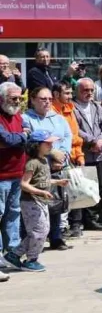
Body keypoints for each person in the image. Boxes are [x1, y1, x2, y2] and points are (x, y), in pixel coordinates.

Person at [4, 131, 67, 272]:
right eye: (47, 143)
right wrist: (41, 192)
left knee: (42, 231)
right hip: (31, 202)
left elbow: (42, 180)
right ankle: (31, 260)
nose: (51, 145)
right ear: (37, 145)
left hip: (40, 201)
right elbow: (24, 184)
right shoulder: (32, 163)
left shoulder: (44, 160)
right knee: (39, 231)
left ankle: (14, 255)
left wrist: (57, 181)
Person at [23, 85, 74, 250]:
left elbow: (67, 136)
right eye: (43, 99)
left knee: (56, 202)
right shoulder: (26, 118)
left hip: (58, 165)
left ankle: (56, 237)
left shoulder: (58, 118)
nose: (47, 102)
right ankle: (30, 240)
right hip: (37, 166)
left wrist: (63, 155)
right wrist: (52, 154)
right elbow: (31, 139)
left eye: (50, 99)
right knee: (36, 204)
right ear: (32, 100)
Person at [72, 78, 102, 232]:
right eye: (84, 90)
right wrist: (93, 141)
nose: (88, 93)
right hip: (83, 154)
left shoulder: (96, 106)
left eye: (91, 90)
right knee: (80, 188)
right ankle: (77, 222)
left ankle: (91, 219)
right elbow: (75, 129)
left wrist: (101, 140)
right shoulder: (72, 107)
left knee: (95, 186)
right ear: (77, 91)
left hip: (98, 154)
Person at [49, 82, 84, 237]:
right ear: (56, 94)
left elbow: (74, 137)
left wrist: (79, 155)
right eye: (67, 93)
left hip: (69, 157)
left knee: (70, 194)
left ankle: (71, 226)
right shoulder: (50, 113)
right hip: (54, 160)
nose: (70, 97)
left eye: (71, 93)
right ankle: (58, 230)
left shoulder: (69, 109)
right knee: (57, 196)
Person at [0, 83, 26, 271]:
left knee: (14, 213)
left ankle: (13, 253)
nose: (17, 102)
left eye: (19, 98)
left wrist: (19, 138)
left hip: (17, 172)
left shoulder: (17, 115)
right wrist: (22, 137)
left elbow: (24, 138)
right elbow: (6, 140)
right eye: (13, 98)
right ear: (2, 98)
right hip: (1, 175)